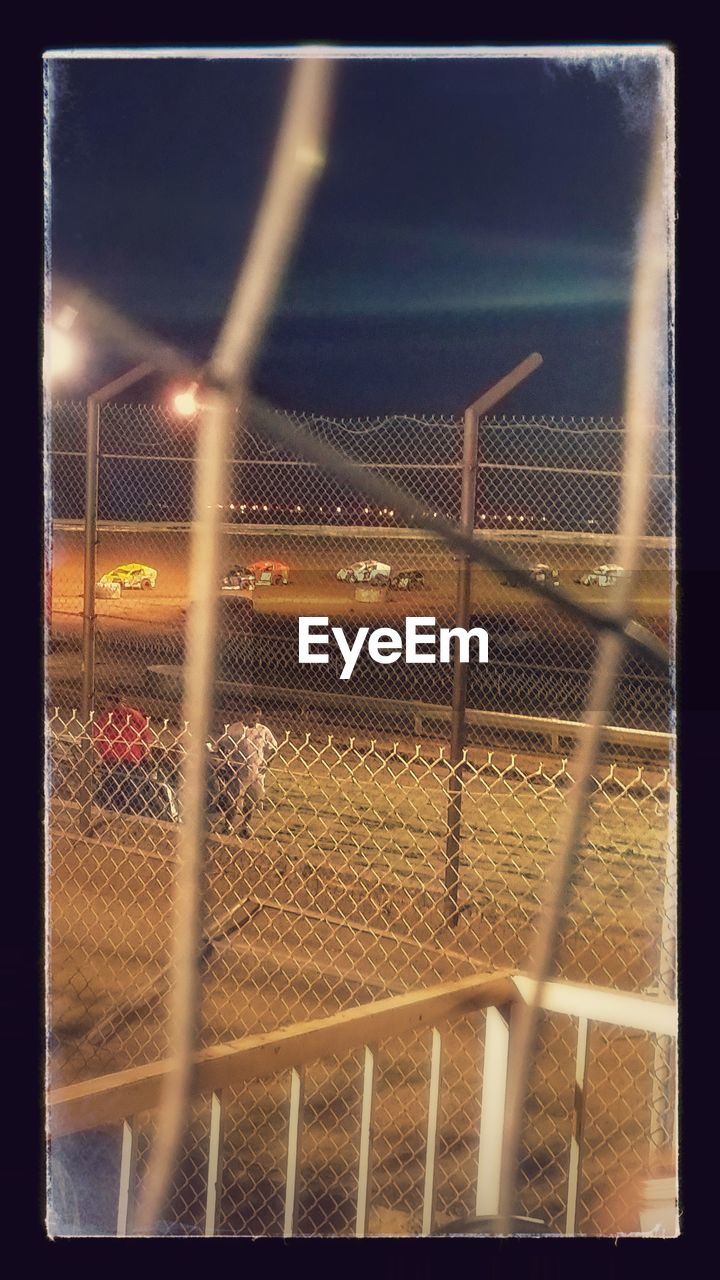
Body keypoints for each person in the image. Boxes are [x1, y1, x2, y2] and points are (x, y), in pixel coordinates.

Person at [214, 708, 277, 838]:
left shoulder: (263, 731)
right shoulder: (235, 729)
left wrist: (268, 764)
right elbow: (220, 745)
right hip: (238, 770)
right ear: (245, 714)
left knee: (251, 801)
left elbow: (274, 748)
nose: (256, 720)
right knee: (233, 800)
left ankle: (245, 827)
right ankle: (228, 825)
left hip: (256, 771)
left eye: (258, 717)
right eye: (254, 716)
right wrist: (226, 762)